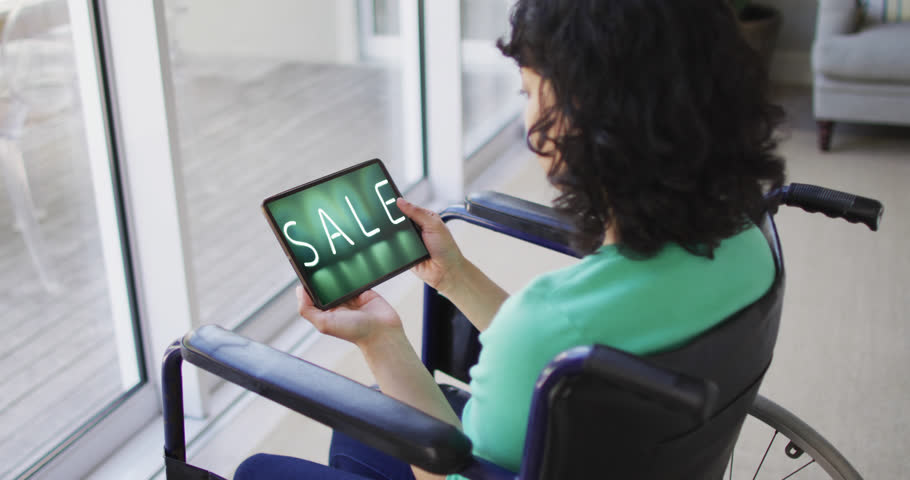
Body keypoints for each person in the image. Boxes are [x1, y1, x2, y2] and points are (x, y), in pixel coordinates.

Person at [234, 0, 786, 478]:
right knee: (368, 423)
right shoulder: (749, 242)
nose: (528, 122)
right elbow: (560, 357)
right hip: (630, 455)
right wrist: (453, 275)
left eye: (528, 91)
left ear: (589, 119)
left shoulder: (542, 323)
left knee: (258, 469)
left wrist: (380, 339)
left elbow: (455, 476)